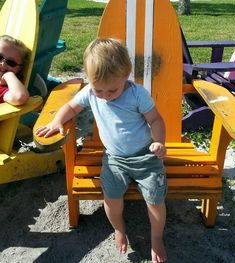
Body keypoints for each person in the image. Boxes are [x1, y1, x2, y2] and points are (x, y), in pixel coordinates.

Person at [36, 38, 168, 262]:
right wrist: (58, 121)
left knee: (155, 200)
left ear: (126, 74)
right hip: (115, 158)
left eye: (112, 90)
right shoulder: (89, 91)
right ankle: (119, 229)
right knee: (111, 199)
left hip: (146, 155)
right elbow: (70, 106)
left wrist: (159, 142)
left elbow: (156, 119)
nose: (105, 95)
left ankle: (156, 237)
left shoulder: (137, 94)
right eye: (99, 90)